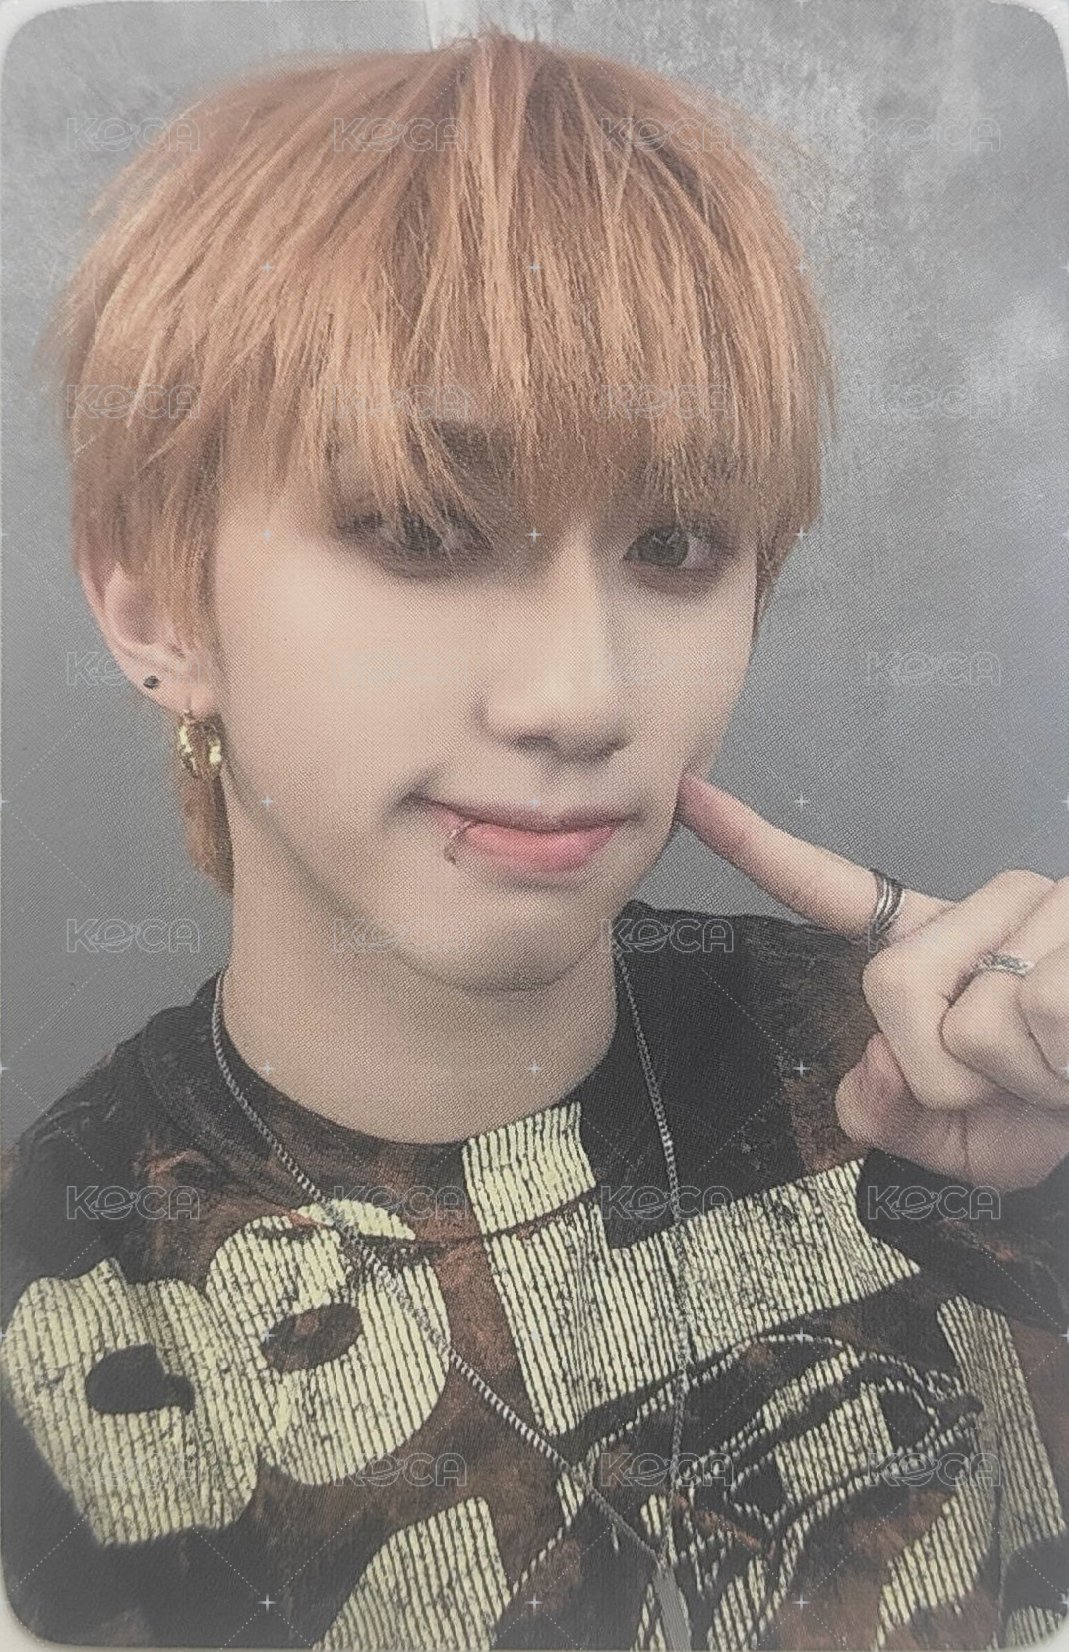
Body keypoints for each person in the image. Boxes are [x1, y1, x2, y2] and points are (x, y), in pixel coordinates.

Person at [3, 24, 1067, 1651]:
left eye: (675, 543)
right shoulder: (53, 1288)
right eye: (421, 527)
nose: (581, 697)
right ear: (155, 608)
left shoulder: (958, 1086)